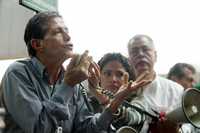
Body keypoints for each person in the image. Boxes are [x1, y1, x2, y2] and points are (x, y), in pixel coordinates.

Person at [0, 12, 148, 133]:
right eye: (58, 32)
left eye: (67, 31)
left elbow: (85, 128)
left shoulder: (71, 81)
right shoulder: (18, 73)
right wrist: (68, 85)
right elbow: (39, 128)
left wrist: (113, 104)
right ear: (38, 44)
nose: (68, 37)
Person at [127, 34, 185, 132]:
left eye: (145, 49)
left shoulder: (176, 90)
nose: (140, 54)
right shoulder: (122, 92)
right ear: (129, 60)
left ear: (155, 56)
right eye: (134, 51)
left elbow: (189, 126)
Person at [88, 52, 149, 132]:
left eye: (120, 74)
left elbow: (132, 117)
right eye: (107, 74)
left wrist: (106, 101)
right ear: (98, 76)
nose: (113, 79)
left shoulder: (138, 101)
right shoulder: (88, 102)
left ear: (129, 77)